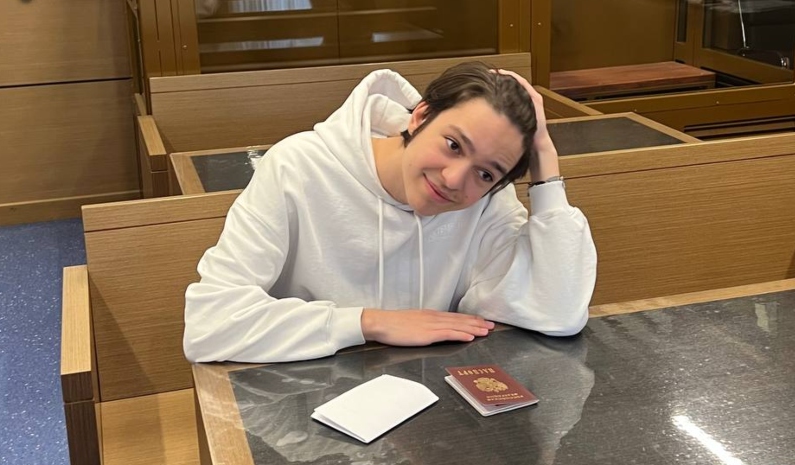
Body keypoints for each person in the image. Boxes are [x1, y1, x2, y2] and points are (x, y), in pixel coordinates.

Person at [183, 62, 597, 363]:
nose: (454, 180)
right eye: (453, 145)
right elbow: (210, 324)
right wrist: (368, 322)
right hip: (307, 407)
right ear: (421, 116)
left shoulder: (486, 200)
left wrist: (545, 160)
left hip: (429, 411)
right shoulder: (298, 166)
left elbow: (559, 313)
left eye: (486, 173)